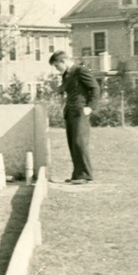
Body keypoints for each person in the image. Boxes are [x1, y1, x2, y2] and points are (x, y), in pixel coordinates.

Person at [49, 51, 99, 183]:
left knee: (79, 142)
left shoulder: (80, 71)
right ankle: (77, 175)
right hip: (70, 112)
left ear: (63, 61)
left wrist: (90, 107)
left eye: (56, 66)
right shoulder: (67, 74)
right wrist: (59, 89)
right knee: (73, 143)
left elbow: (95, 88)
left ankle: (85, 175)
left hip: (80, 111)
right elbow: (71, 89)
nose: (56, 69)